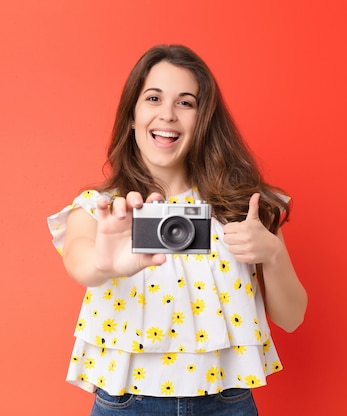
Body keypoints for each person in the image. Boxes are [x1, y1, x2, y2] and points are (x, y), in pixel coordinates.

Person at [47, 44, 307, 415]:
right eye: (153, 98)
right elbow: (80, 262)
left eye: (186, 103)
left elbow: (292, 318)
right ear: (132, 116)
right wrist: (107, 264)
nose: (167, 115)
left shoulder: (241, 207)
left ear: (203, 119)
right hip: (127, 404)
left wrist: (273, 253)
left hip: (226, 403)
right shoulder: (102, 209)